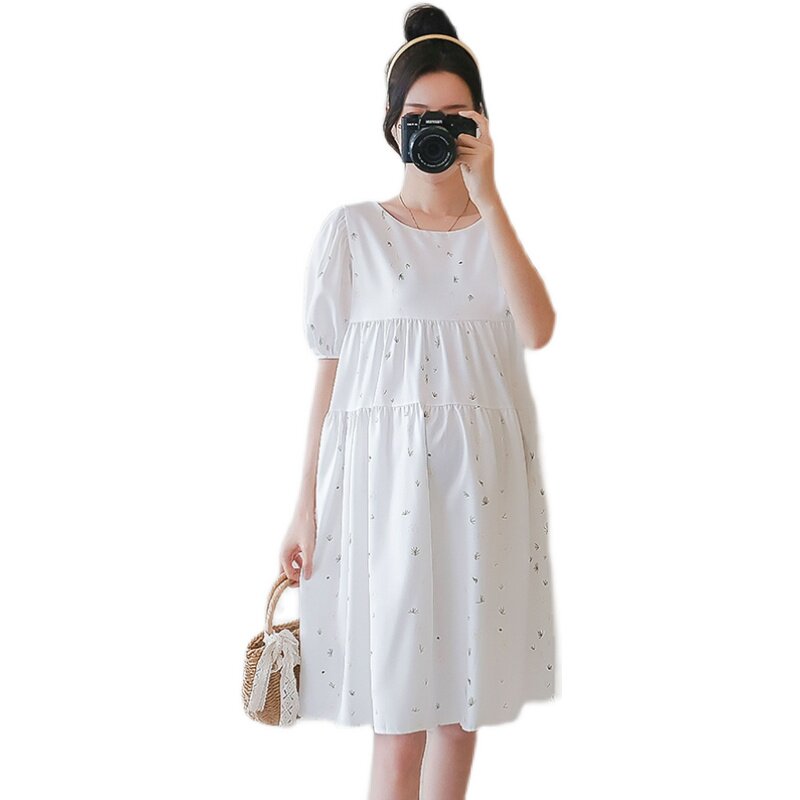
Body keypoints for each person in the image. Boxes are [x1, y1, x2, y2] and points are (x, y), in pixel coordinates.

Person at [279, 4, 559, 798]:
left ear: (481, 124)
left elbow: (538, 330)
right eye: (418, 116)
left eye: (454, 116)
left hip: (479, 494)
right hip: (381, 497)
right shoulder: (353, 232)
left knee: (459, 722)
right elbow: (329, 375)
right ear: (392, 124)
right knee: (397, 727)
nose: (434, 130)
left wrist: (490, 196)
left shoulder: (493, 234)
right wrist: (304, 506)